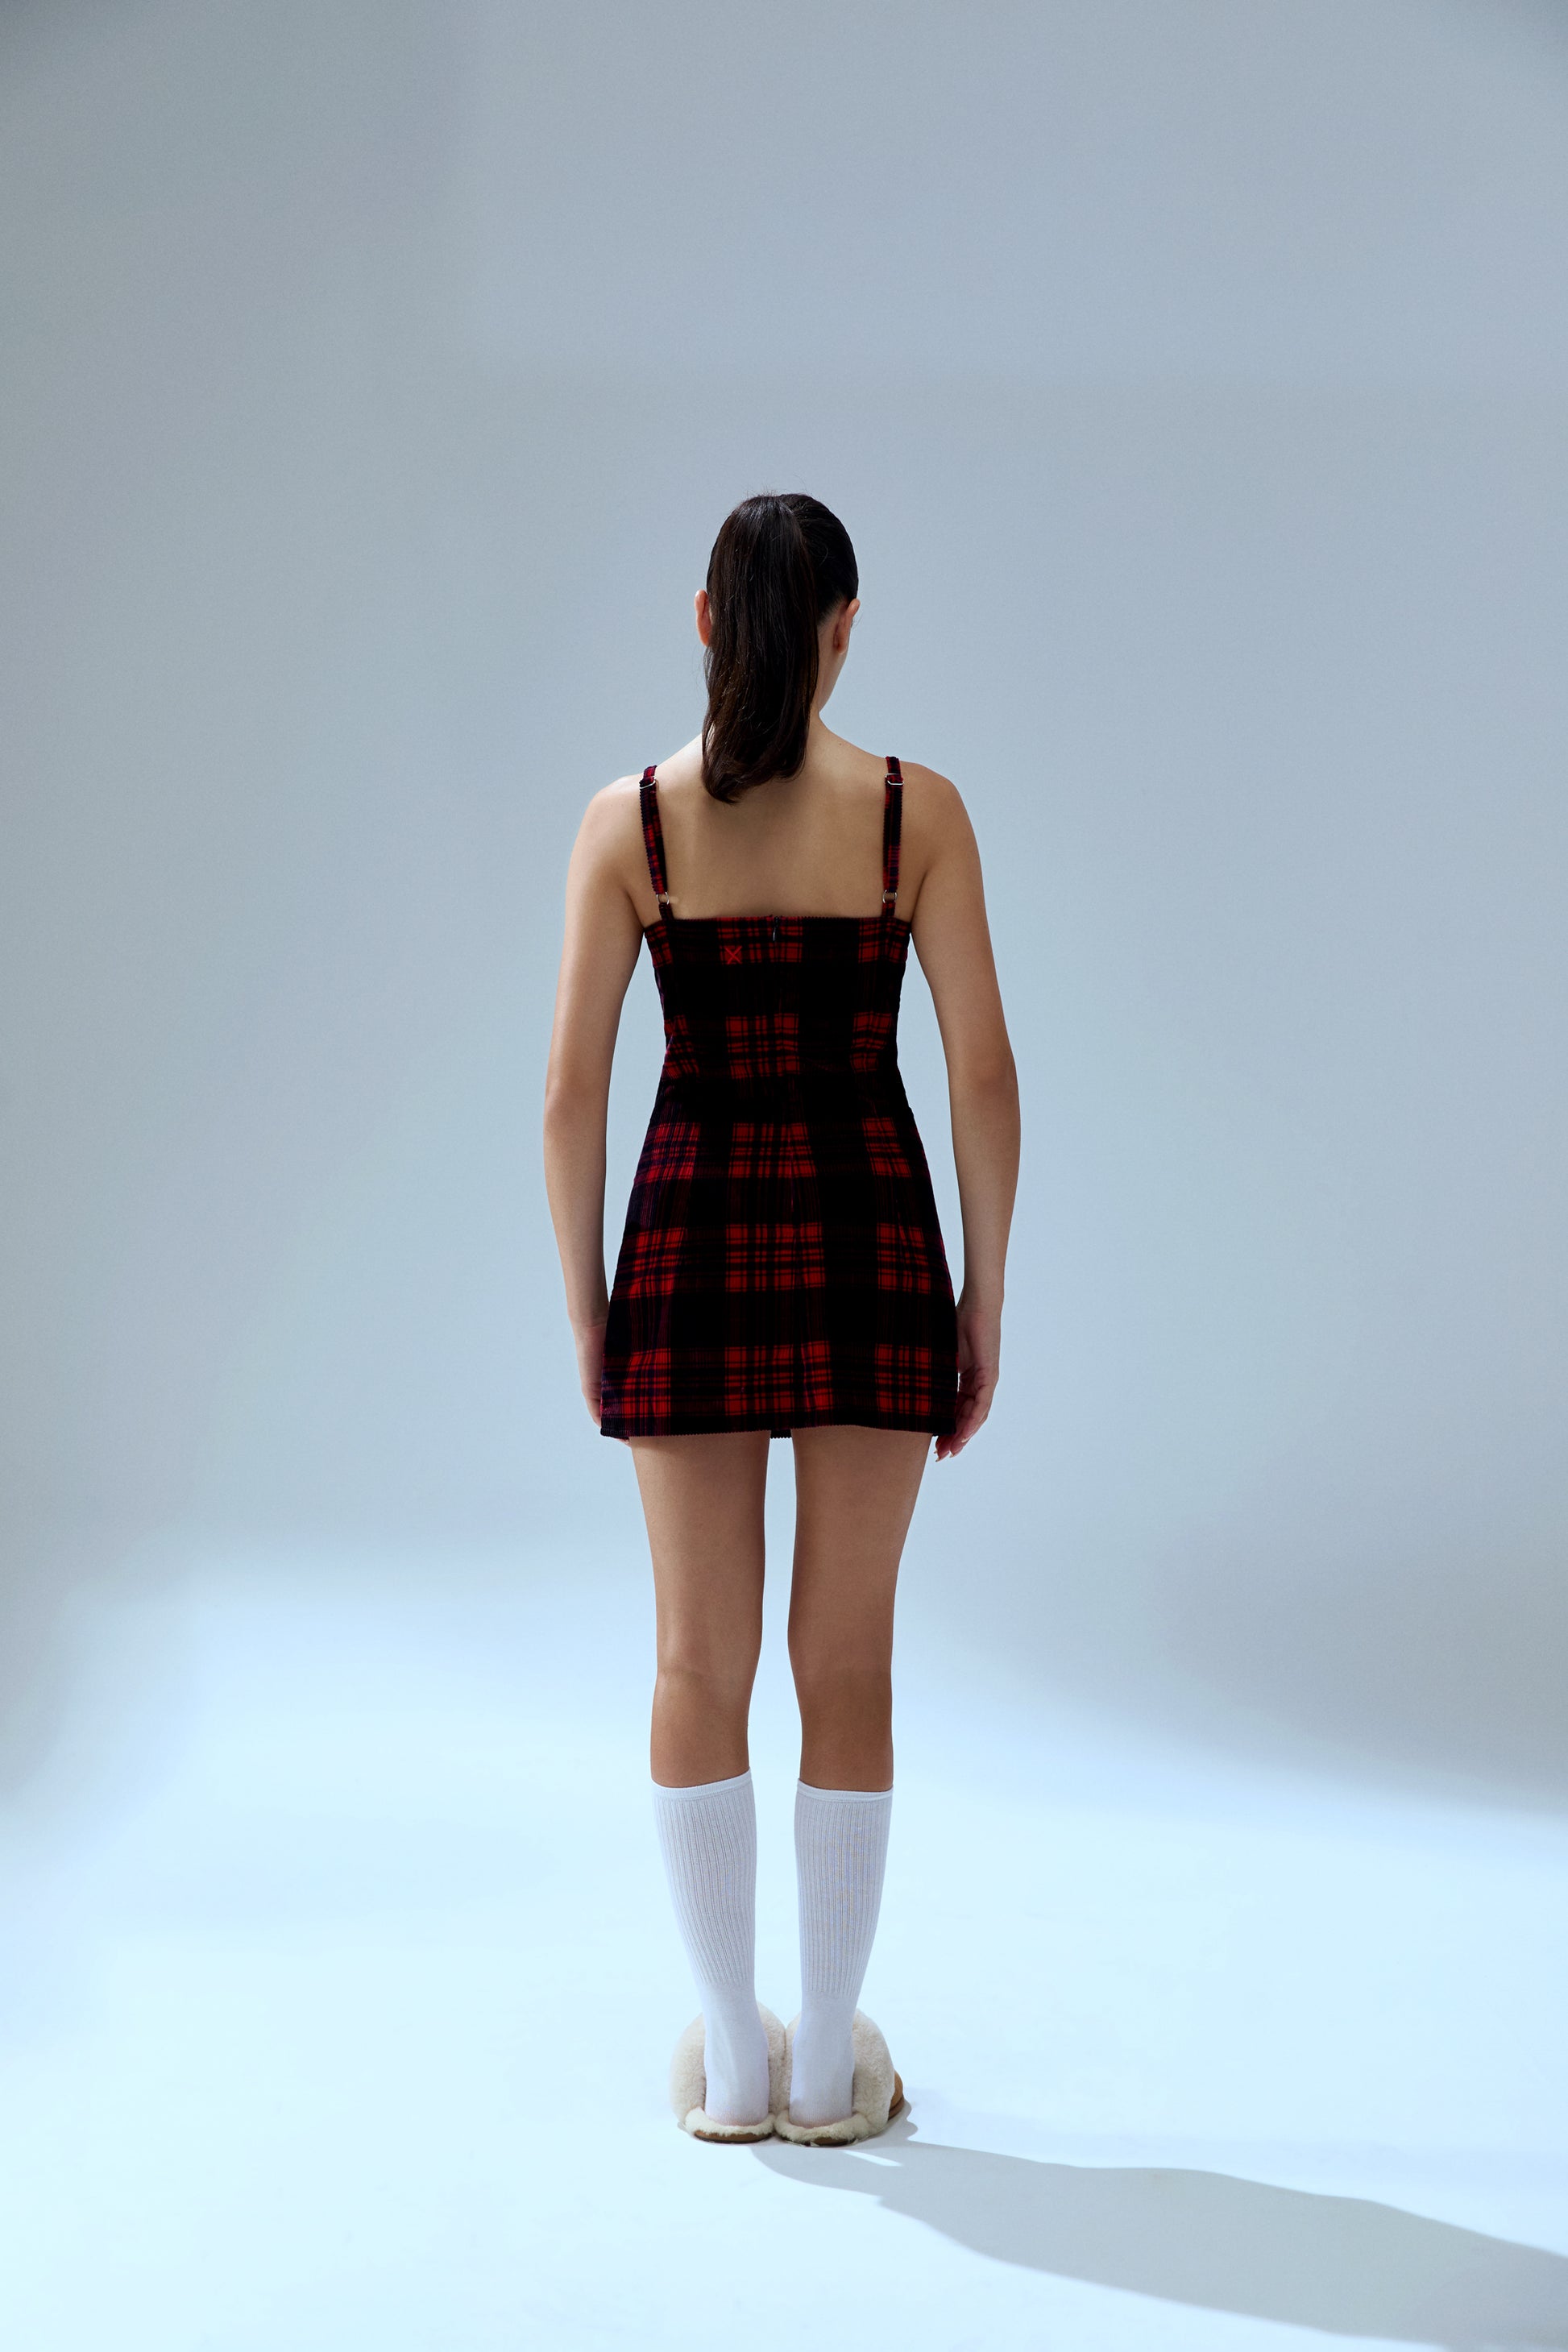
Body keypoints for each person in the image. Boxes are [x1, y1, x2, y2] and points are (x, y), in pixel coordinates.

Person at [543, 492, 1019, 2145]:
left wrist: (590, 1308)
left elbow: (568, 1096)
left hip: (686, 1243)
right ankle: (825, 2065)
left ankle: (735, 2075)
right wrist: (981, 1295)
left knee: (695, 1656)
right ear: (844, 625)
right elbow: (980, 1074)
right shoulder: (913, 814)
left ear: (701, 619)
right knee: (849, 1656)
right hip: (873, 1239)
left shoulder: (632, 822)